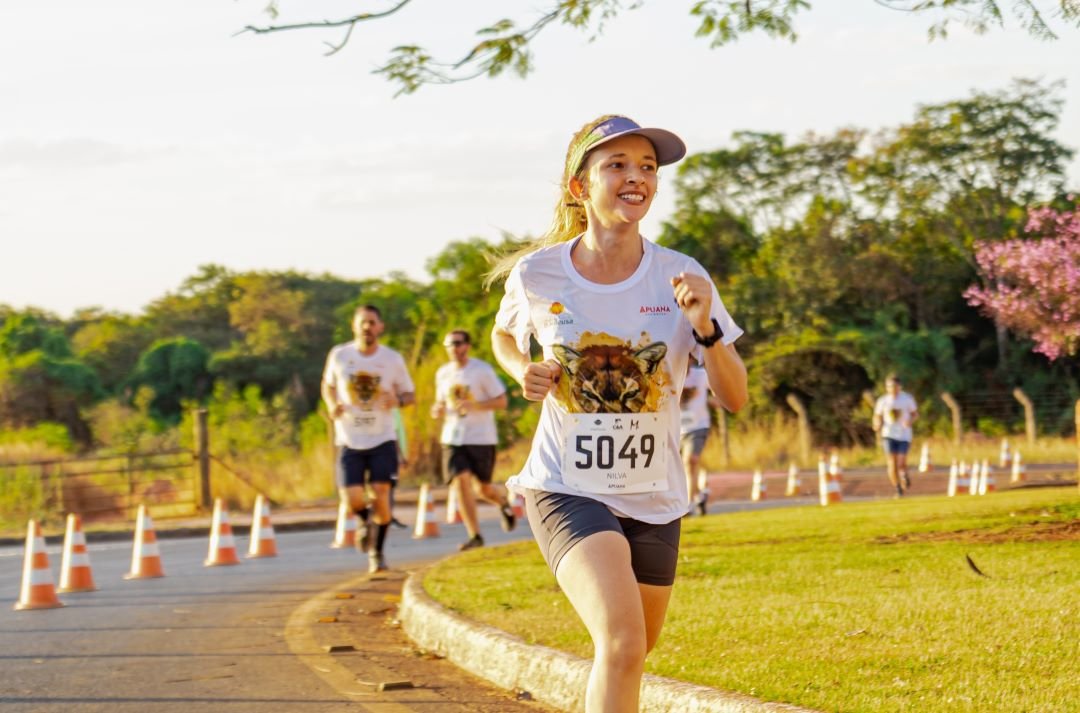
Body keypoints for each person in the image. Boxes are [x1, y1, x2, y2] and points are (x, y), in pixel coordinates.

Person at [489, 115, 747, 712]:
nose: (637, 178)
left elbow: (734, 397)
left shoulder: (682, 275)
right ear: (581, 187)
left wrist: (705, 327)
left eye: (648, 168)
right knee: (623, 641)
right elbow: (505, 335)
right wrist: (519, 369)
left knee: (634, 648)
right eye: (618, 165)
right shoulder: (539, 272)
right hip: (566, 486)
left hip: (655, 494)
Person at [322, 305, 415, 573]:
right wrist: (331, 404)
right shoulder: (339, 355)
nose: (367, 327)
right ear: (354, 325)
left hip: (382, 439)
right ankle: (366, 522)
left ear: (380, 327)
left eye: (372, 322)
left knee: (382, 496)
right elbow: (327, 385)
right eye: (363, 322)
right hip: (349, 438)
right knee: (351, 499)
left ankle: (377, 552)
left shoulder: (392, 359)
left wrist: (396, 400)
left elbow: (410, 395)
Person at [430, 329, 517, 550]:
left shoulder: (481, 371)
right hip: (452, 437)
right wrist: (437, 409)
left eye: (458, 343)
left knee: (483, 489)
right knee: (460, 482)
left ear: (467, 346)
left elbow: (501, 401)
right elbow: (440, 402)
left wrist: (476, 405)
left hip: (481, 437)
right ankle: (475, 535)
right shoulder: (442, 373)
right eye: (450, 344)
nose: (455, 349)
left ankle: (503, 503)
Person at [679, 361, 721, 516]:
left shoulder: (701, 375)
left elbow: (720, 388)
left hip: (698, 426)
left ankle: (687, 506)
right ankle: (699, 496)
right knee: (679, 468)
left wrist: (715, 400)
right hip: (675, 428)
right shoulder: (669, 373)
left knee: (691, 461)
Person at [872, 373, 919, 497]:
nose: (892, 389)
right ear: (886, 387)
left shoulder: (907, 398)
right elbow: (877, 415)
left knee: (901, 462)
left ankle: (904, 475)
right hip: (888, 434)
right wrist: (877, 423)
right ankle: (898, 488)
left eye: (894, 386)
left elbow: (915, 414)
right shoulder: (883, 401)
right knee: (892, 462)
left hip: (904, 434)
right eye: (889, 386)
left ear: (899, 387)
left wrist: (910, 421)